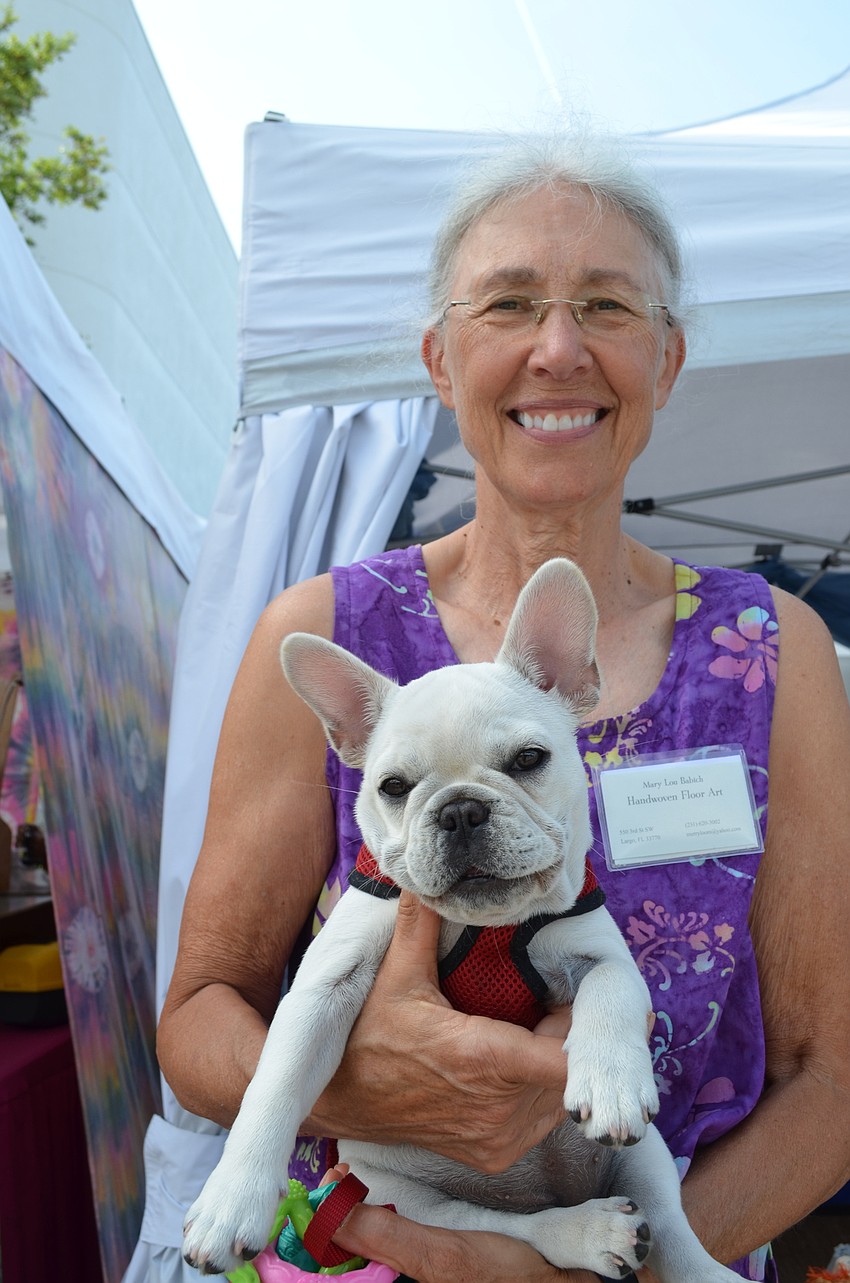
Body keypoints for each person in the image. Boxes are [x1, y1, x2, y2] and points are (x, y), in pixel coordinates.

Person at [157, 135, 850, 1283]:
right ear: (438, 354)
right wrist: (369, 1085)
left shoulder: (775, 647)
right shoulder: (329, 631)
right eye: (510, 302)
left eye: (608, 305)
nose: (559, 346)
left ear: (668, 358)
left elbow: (830, 1075)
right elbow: (194, 1019)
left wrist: (598, 1269)